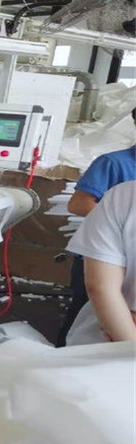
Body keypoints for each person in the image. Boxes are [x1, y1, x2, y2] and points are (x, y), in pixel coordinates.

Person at [55, 107, 136, 345]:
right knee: (93, 312)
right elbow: (78, 204)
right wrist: (114, 224)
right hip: (100, 255)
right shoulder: (114, 163)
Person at [64, 180, 136, 344]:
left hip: (113, 336)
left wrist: (128, 339)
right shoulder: (115, 172)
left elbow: (101, 286)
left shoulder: (124, 195)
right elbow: (77, 204)